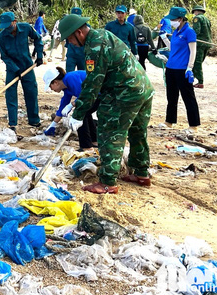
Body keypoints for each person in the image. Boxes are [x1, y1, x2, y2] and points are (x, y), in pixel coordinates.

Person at [59, 13, 154, 194]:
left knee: (110, 132)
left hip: (125, 92)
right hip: (143, 88)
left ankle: (107, 181)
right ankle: (141, 173)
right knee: (137, 131)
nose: (69, 43)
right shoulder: (102, 34)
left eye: (70, 39)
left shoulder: (95, 46)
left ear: (79, 33)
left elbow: (93, 82)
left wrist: (79, 113)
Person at [0, 11, 43, 130]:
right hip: (12, 69)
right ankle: (13, 123)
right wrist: (15, 69)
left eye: (9, 25)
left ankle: (34, 120)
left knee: (31, 92)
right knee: (10, 94)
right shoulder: (2, 37)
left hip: (27, 66)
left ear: (14, 22)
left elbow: (38, 38)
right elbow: (4, 56)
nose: (7, 28)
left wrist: (39, 56)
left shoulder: (26, 28)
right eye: (5, 26)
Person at [160, 6, 200, 129]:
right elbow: (173, 49)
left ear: (181, 19)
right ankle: (169, 121)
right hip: (171, 67)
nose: (171, 22)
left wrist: (190, 67)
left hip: (182, 69)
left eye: (173, 19)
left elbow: (193, 51)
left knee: (188, 97)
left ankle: (193, 125)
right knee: (171, 96)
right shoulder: (176, 32)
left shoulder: (189, 32)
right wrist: (164, 38)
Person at [43, 67, 98, 151]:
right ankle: (94, 141)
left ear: (55, 82)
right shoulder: (66, 88)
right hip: (94, 96)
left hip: (100, 94)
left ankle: (86, 146)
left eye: (50, 86)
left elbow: (84, 96)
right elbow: (62, 106)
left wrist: (72, 104)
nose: (51, 89)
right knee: (86, 113)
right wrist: (53, 125)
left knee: (79, 113)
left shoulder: (71, 78)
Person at [191, 5, 212, 89]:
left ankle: (200, 81)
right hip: (207, 43)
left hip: (200, 44)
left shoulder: (197, 19)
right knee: (199, 61)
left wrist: (189, 37)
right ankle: (191, 78)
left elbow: (197, 31)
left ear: (196, 11)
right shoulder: (207, 19)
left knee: (197, 62)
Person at [65, 7, 86, 72]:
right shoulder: (67, 27)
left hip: (82, 54)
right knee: (69, 73)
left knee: (83, 74)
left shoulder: (86, 27)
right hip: (71, 53)